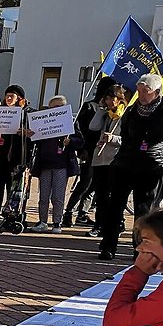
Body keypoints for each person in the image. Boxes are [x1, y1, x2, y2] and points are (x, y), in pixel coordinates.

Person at [97, 73, 163, 260]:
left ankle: (140, 249)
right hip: (126, 162)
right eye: (139, 90)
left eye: (146, 91)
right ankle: (108, 246)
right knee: (115, 205)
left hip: (151, 166)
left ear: (157, 92)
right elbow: (127, 135)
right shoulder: (131, 110)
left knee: (143, 210)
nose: (141, 94)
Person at [66, 76, 118, 225]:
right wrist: (82, 149)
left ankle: (83, 212)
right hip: (89, 150)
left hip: (104, 151)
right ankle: (69, 212)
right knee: (85, 183)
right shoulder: (90, 106)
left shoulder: (114, 111)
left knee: (96, 185)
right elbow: (83, 129)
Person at [26, 95, 81, 233]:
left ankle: (57, 222)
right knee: (43, 196)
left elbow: (80, 141)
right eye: (52, 107)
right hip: (45, 164)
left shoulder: (71, 122)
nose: (54, 110)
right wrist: (30, 135)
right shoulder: (43, 121)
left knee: (58, 196)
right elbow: (35, 140)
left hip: (61, 165)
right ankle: (42, 221)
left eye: (58, 107)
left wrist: (71, 142)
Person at [0, 84, 30, 224]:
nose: (8, 98)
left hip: (14, 157)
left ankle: (11, 214)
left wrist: (24, 133)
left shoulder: (25, 114)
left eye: (11, 96)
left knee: (12, 187)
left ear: (19, 98)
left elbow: (31, 135)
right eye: (7, 95)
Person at [84, 84, 127, 237]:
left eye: (112, 98)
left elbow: (128, 139)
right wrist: (101, 110)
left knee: (112, 195)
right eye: (106, 98)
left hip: (114, 160)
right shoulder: (106, 114)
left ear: (119, 99)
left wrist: (113, 138)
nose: (109, 101)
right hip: (100, 158)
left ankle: (116, 223)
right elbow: (93, 126)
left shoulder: (125, 115)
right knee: (100, 195)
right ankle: (99, 224)